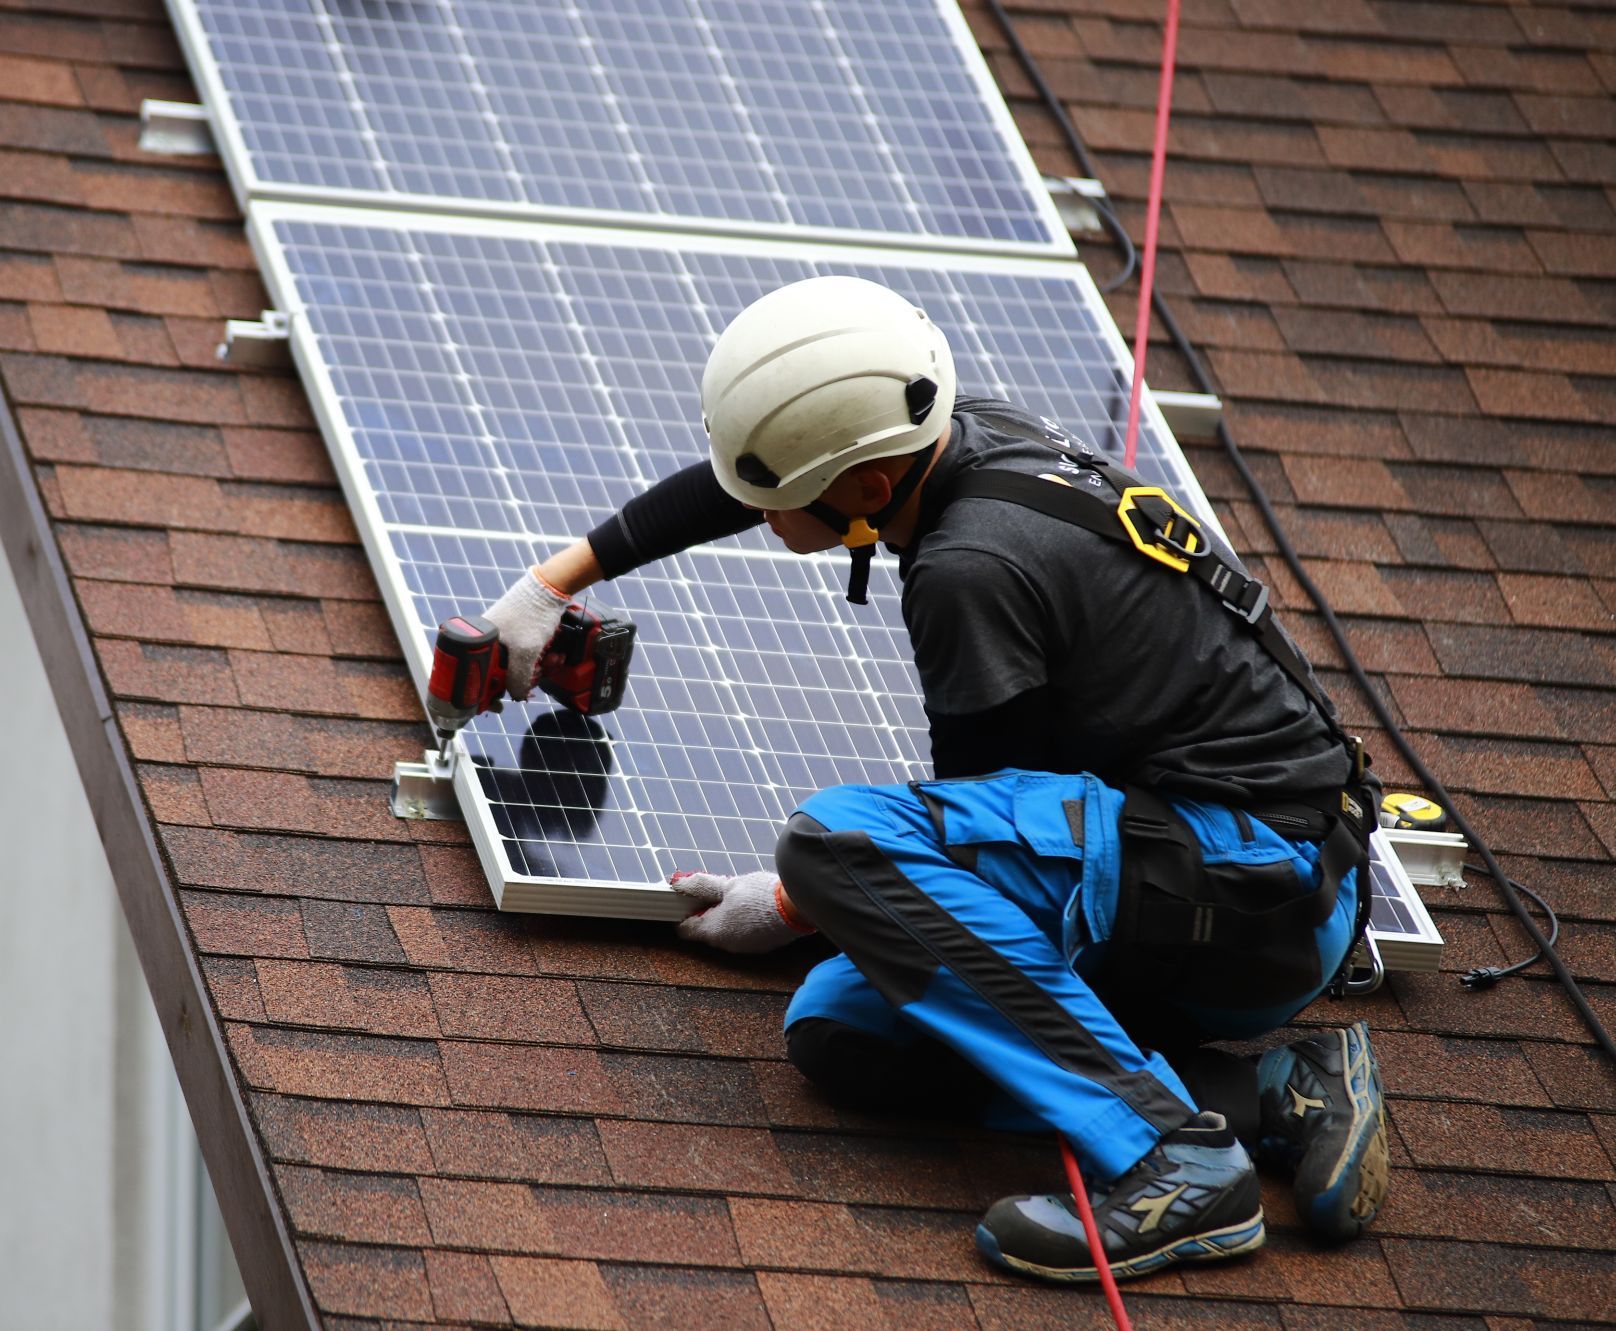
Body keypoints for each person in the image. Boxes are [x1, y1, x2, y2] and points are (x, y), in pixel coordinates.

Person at [477, 275, 1389, 1281]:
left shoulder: (968, 568)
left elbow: (971, 828)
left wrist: (791, 896)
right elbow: (747, 479)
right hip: (1190, 871)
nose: (764, 518)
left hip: (1257, 883)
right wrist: (555, 579)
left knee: (835, 841)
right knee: (841, 1029)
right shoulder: (953, 428)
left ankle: (1174, 1159)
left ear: (868, 487)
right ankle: (1275, 1090)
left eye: (782, 501)